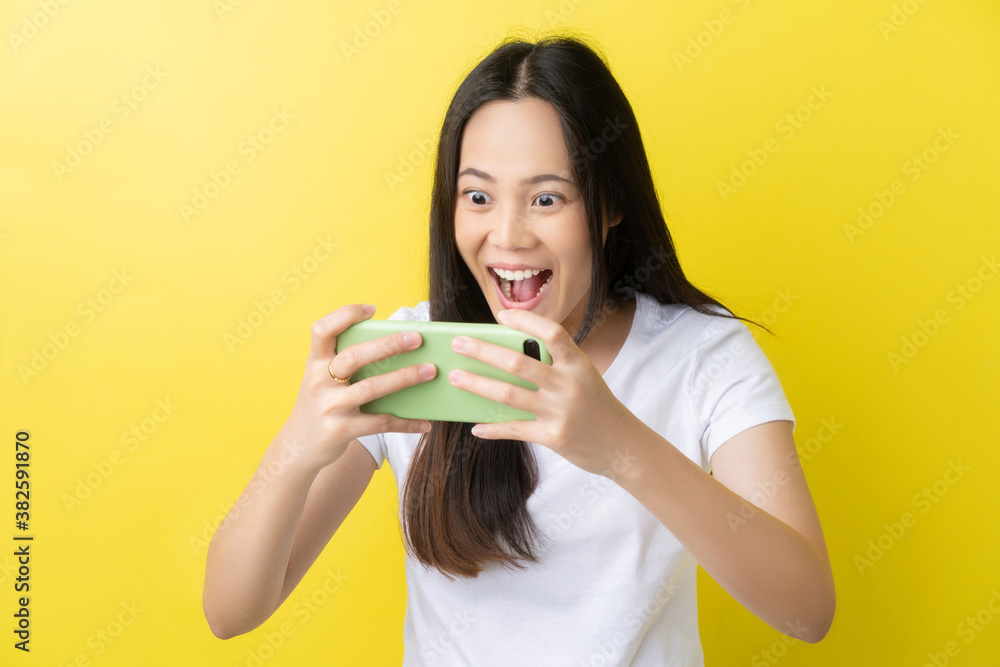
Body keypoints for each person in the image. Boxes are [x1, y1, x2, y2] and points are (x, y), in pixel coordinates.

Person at [203, 34, 835, 665]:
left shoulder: (703, 354)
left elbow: (806, 609)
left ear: (609, 203)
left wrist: (618, 445)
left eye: (546, 199)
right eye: (478, 196)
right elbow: (231, 612)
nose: (505, 236)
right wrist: (295, 449)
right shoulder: (411, 354)